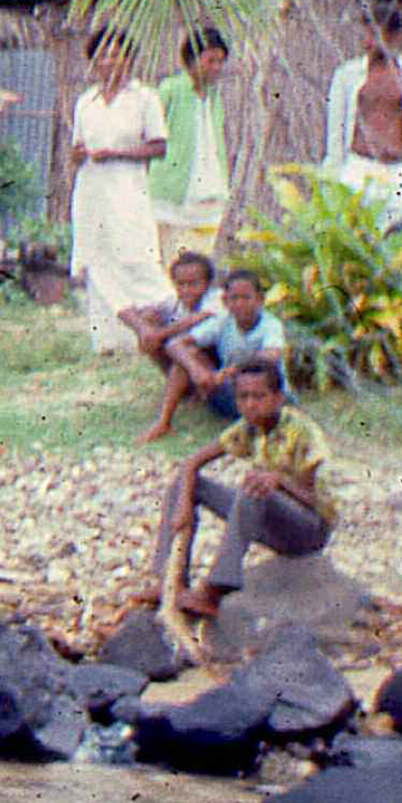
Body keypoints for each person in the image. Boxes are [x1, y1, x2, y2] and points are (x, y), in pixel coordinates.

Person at [150, 356, 335, 634]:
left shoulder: (302, 432)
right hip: (271, 520)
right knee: (185, 484)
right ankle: (168, 579)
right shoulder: (248, 428)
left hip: (308, 530)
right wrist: (184, 507)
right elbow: (191, 463)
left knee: (253, 487)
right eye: (243, 397)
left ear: (278, 398)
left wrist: (281, 483)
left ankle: (217, 588)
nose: (250, 404)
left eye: (259, 397)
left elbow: (319, 506)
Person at [68, 27, 172, 353]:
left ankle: (163, 325)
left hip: (127, 187)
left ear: (129, 59)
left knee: (135, 253)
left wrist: (117, 154)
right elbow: (75, 150)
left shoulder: (145, 98)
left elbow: (158, 147)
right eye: (102, 55)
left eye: (116, 54)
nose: (109, 61)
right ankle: (109, 342)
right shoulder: (87, 101)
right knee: (97, 259)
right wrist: (81, 154)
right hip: (91, 188)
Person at [138, 264, 288, 441]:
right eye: (234, 298)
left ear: (260, 300)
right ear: (225, 302)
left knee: (263, 392)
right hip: (231, 392)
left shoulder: (270, 324)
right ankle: (163, 422)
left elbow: (270, 357)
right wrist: (197, 371)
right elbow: (175, 345)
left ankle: (257, 428)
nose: (240, 304)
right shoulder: (223, 320)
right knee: (186, 358)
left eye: (246, 298)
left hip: (267, 397)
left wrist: (229, 372)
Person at [323, 7, 402, 223]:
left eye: (376, 33)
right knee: (349, 234)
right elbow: (336, 129)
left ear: (395, 36)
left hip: (397, 171)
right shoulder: (348, 75)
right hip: (357, 167)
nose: (369, 41)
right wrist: (334, 173)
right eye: (367, 32)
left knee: (396, 239)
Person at [149, 27, 232, 269]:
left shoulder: (214, 96)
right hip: (174, 192)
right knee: (173, 265)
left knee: (201, 265)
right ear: (191, 60)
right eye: (210, 60)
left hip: (209, 192)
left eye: (220, 61)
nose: (216, 67)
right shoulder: (170, 89)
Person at [130, 249, 223, 374]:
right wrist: (145, 326)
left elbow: (196, 318)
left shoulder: (216, 297)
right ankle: (173, 379)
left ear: (207, 283)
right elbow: (146, 311)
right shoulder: (175, 302)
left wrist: (159, 334)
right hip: (186, 356)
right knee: (150, 318)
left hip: (216, 359)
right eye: (180, 284)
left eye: (192, 284)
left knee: (188, 352)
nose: (185, 290)